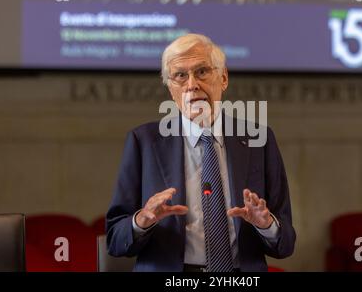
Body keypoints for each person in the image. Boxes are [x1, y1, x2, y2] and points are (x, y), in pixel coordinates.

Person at [106, 33, 295, 272]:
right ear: (171, 89)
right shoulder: (143, 142)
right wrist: (143, 219)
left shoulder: (260, 140)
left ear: (224, 78)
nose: (192, 84)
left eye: (202, 71)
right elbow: (114, 239)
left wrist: (266, 224)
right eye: (180, 76)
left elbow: (286, 243)